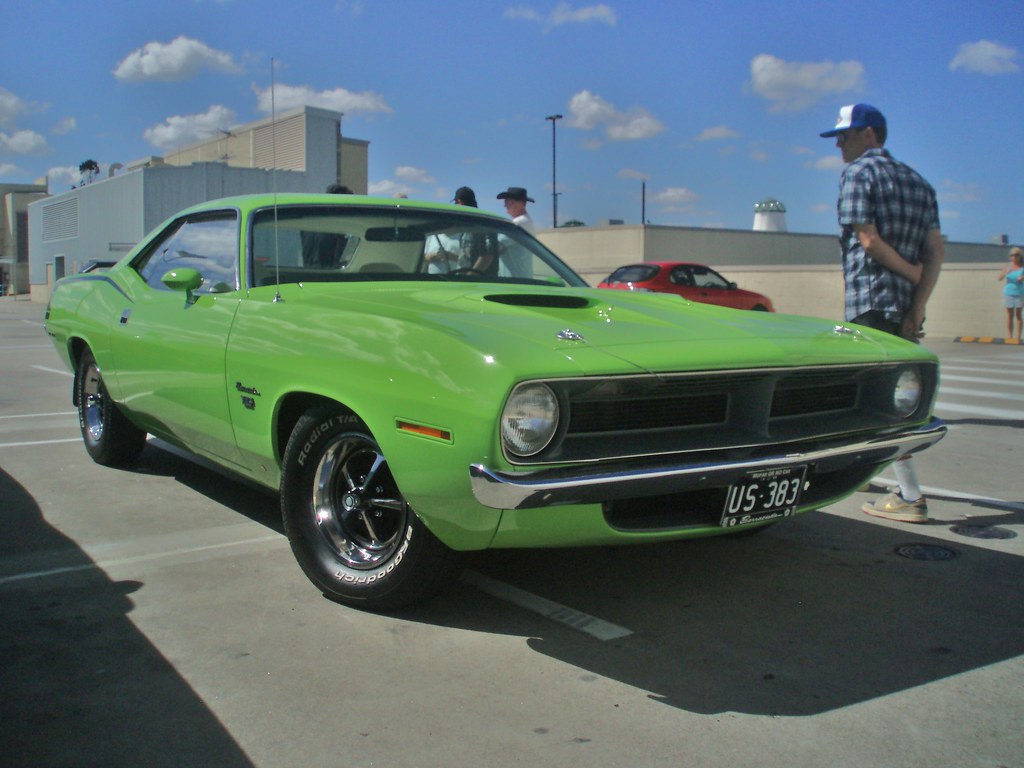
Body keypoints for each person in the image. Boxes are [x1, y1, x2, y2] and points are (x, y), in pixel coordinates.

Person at [820, 103, 945, 524]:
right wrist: (918, 303)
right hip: (904, 309)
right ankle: (869, 470)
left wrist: (907, 273)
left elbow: (868, 241)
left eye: (845, 135)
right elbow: (936, 251)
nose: (839, 144)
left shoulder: (858, 174)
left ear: (870, 134)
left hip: (870, 302)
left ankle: (911, 497)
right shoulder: (920, 183)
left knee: (878, 404)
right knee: (894, 396)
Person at [495, 187, 535, 277]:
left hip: (515, 281)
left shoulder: (518, 223)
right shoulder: (525, 221)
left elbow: (494, 248)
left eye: (507, 201)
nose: (505, 205)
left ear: (517, 204)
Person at [997, 247, 1023, 342]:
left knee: (1018, 315)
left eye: (1016, 255)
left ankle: (1018, 337)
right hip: (1009, 293)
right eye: (1012, 255)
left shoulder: (1022, 268)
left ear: (1020, 256)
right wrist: (1003, 274)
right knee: (1009, 315)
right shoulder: (1007, 267)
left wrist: (1022, 277)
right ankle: (1010, 337)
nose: (1014, 257)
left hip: (1019, 293)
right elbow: (999, 278)